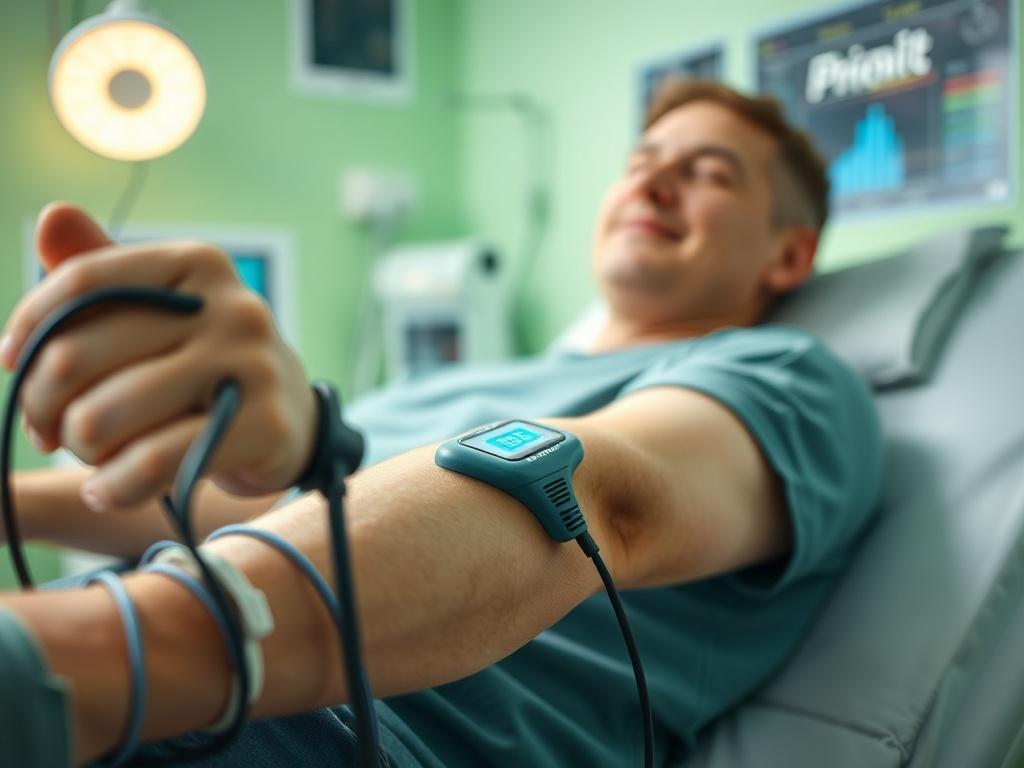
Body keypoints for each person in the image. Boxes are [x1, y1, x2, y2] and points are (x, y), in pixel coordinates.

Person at [0, 79, 883, 767]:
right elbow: (257, 511)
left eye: (707, 172)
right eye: (642, 158)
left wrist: (85, 658)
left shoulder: (786, 379)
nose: (652, 179)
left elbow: (595, 499)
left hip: (359, 734)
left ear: (790, 253)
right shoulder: (451, 380)